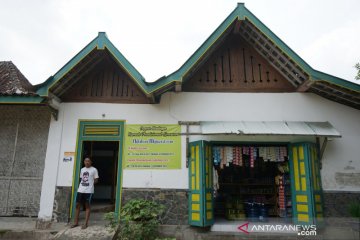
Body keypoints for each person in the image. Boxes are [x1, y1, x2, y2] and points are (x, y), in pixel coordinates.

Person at [71, 156, 99, 229]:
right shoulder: (82, 169)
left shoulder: (94, 170)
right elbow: (81, 179)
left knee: (87, 206)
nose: (86, 162)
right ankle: (75, 222)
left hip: (89, 191)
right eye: (85, 161)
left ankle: (85, 223)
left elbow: (96, 180)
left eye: (88, 161)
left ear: (91, 162)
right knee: (77, 205)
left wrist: (90, 184)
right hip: (80, 190)